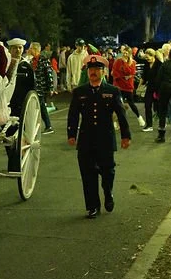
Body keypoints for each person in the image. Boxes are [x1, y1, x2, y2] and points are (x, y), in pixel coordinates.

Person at [67, 54, 131, 218]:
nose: (93, 72)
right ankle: (92, 206)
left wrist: (125, 136)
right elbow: (73, 115)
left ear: (103, 72)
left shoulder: (112, 91)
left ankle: (108, 192)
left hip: (105, 138)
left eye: (97, 69)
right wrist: (71, 134)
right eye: (91, 69)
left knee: (108, 171)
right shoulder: (80, 92)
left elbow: (121, 114)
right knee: (87, 174)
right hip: (86, 138)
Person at [112, 44, 145, 128]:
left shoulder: (133, 62)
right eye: (124, 53)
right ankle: (115, 122)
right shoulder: (118, 61)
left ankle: (139, 118)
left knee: (131, 103)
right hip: (119, 86)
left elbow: (132, 72)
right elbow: (115, 73)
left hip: (128, 86)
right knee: (118, 105)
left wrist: (126, 71)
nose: (125, 55)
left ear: (130, 54)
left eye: (127, 53)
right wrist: (125, 75)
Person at [28, 41, 56, 133]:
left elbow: (49, 74)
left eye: (31, 48)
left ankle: (40, 126)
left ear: (36, 49)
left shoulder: (44, 59)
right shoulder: (31, 60)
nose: (29, 50)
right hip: (33, 88)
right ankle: (48, 126)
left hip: (41, 88)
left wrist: (51, 88)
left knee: (39, 107)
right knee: (41, 107)